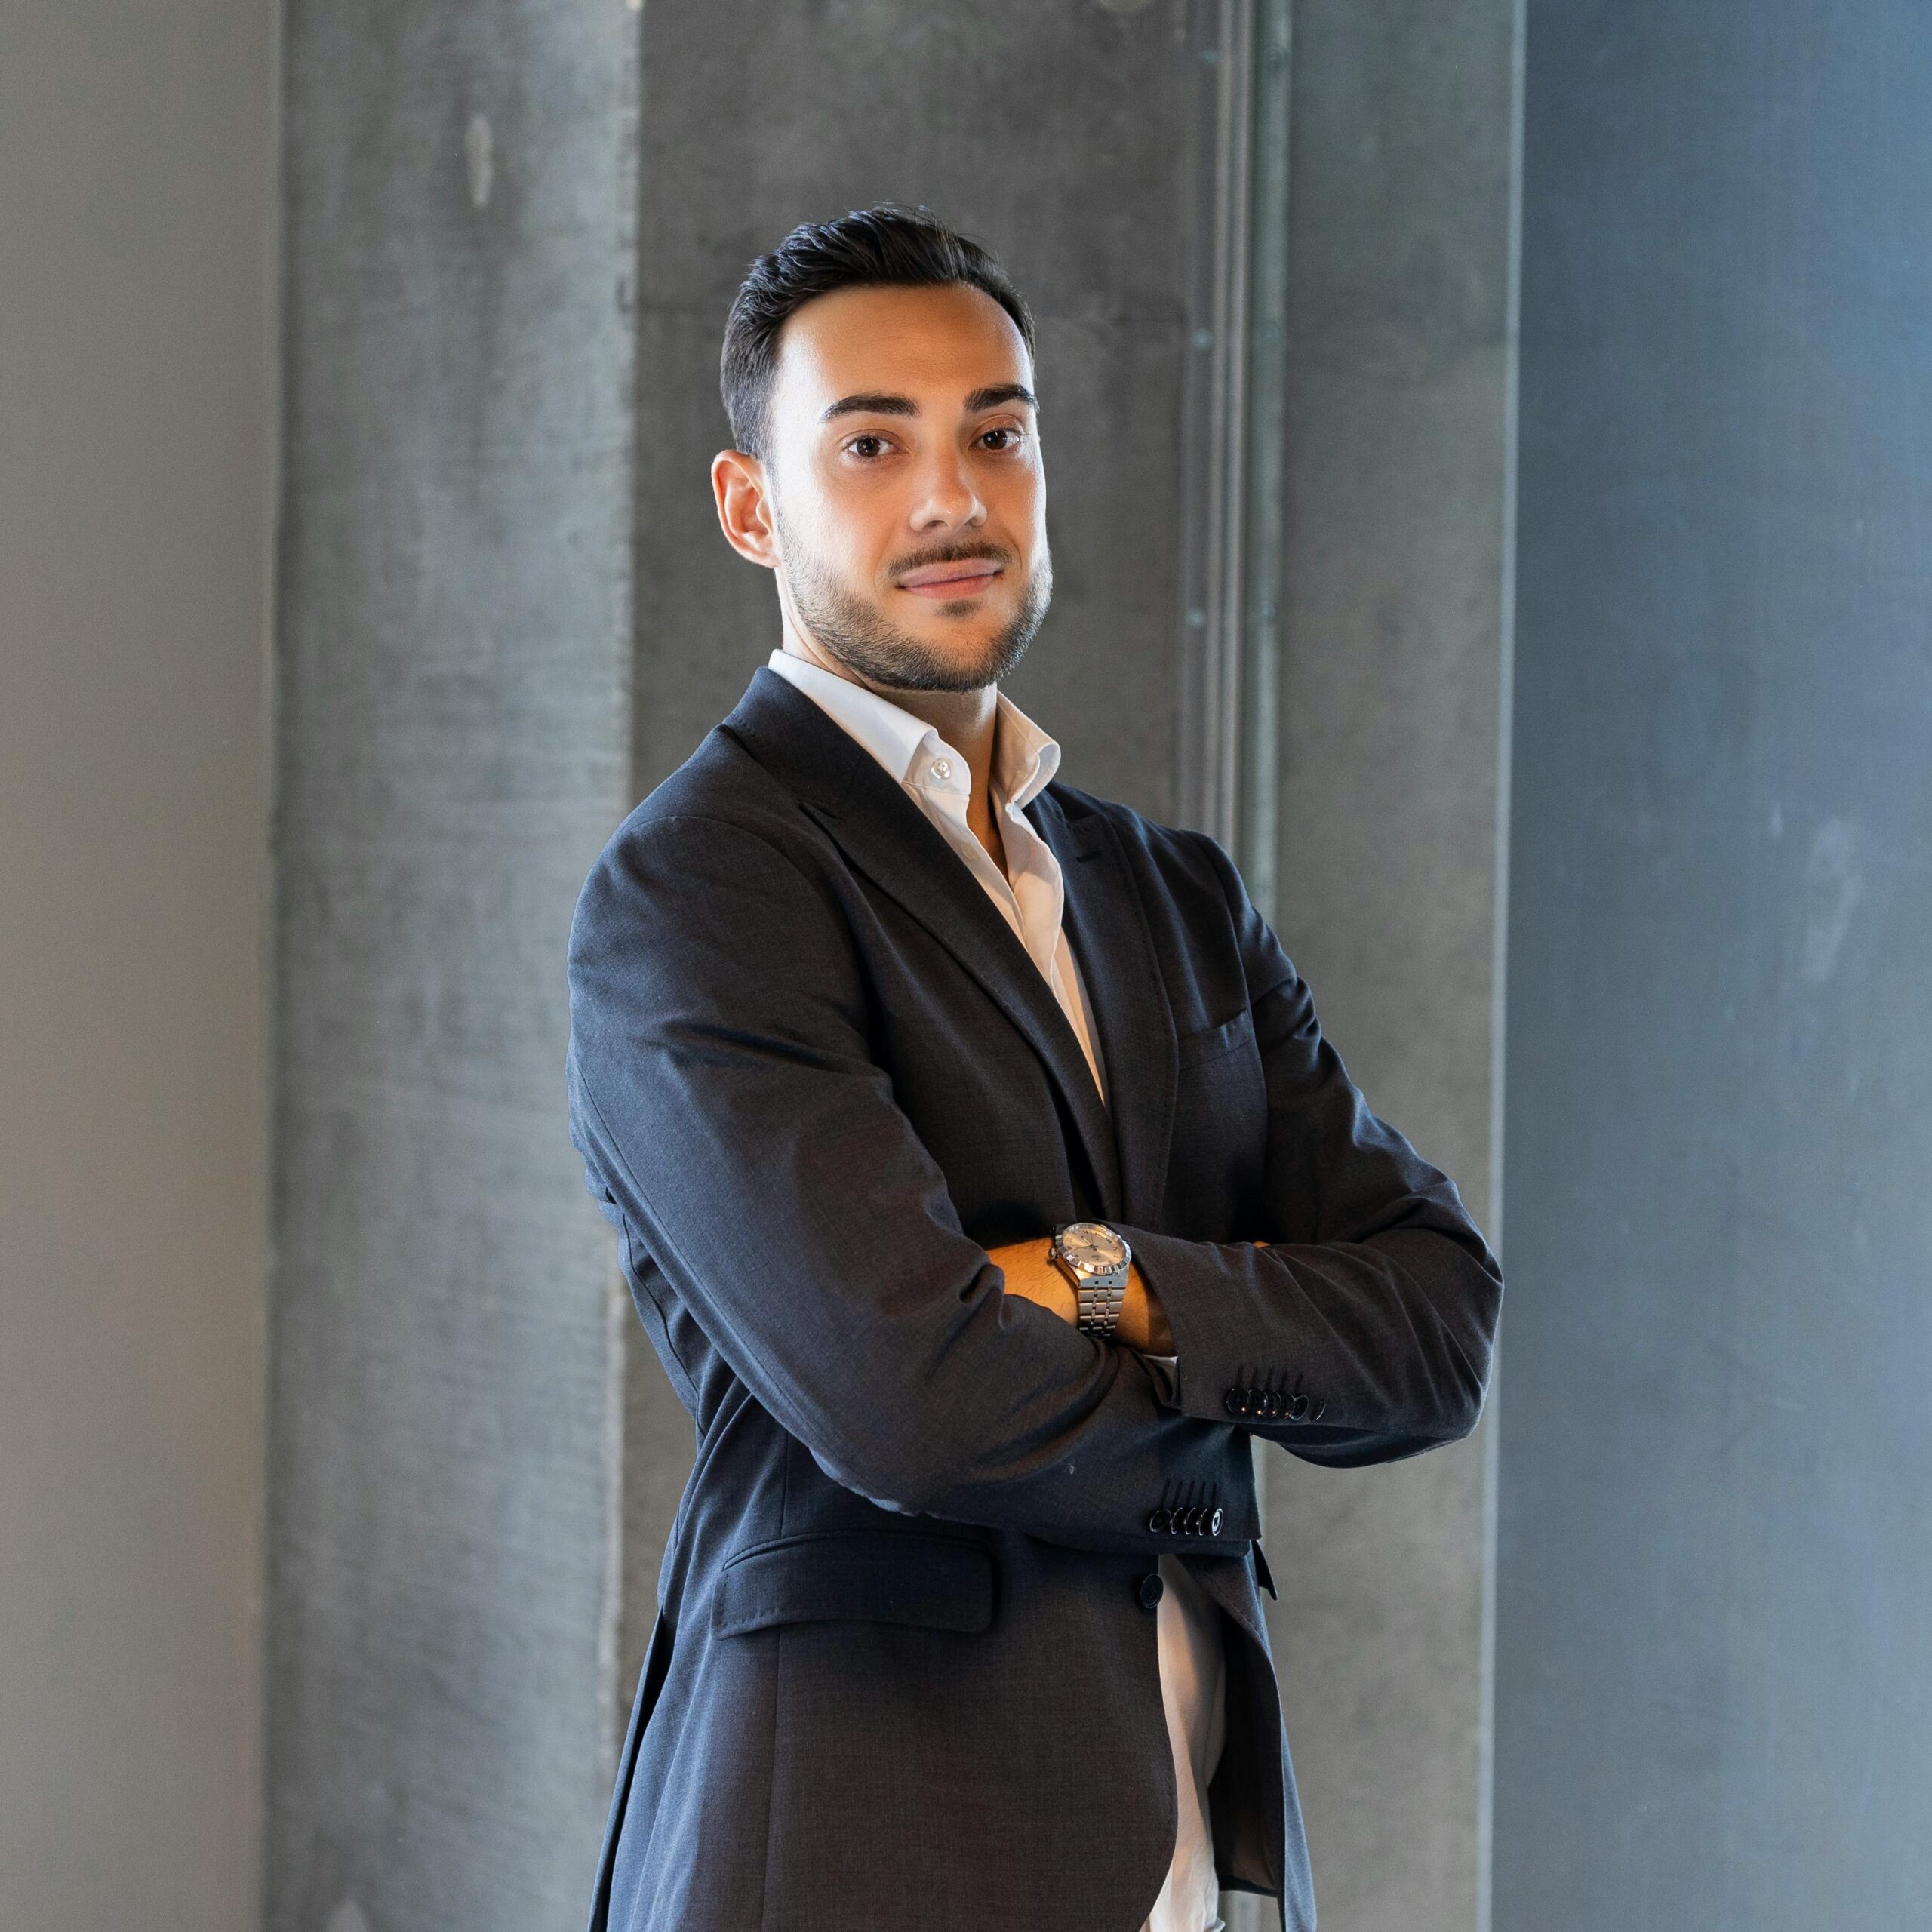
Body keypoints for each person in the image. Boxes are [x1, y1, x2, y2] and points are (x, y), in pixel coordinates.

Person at [565, 204, 1503, 1932]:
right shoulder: (697, 887)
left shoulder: (1171, 891)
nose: (953, 497)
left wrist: (1098, 1277)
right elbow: (910, 1400)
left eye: (996, 433)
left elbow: (1437, 1325)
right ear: (750, 505)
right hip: (861, 1842)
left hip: (1196, 1850)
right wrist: (1246, 1351)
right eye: (872, 445)